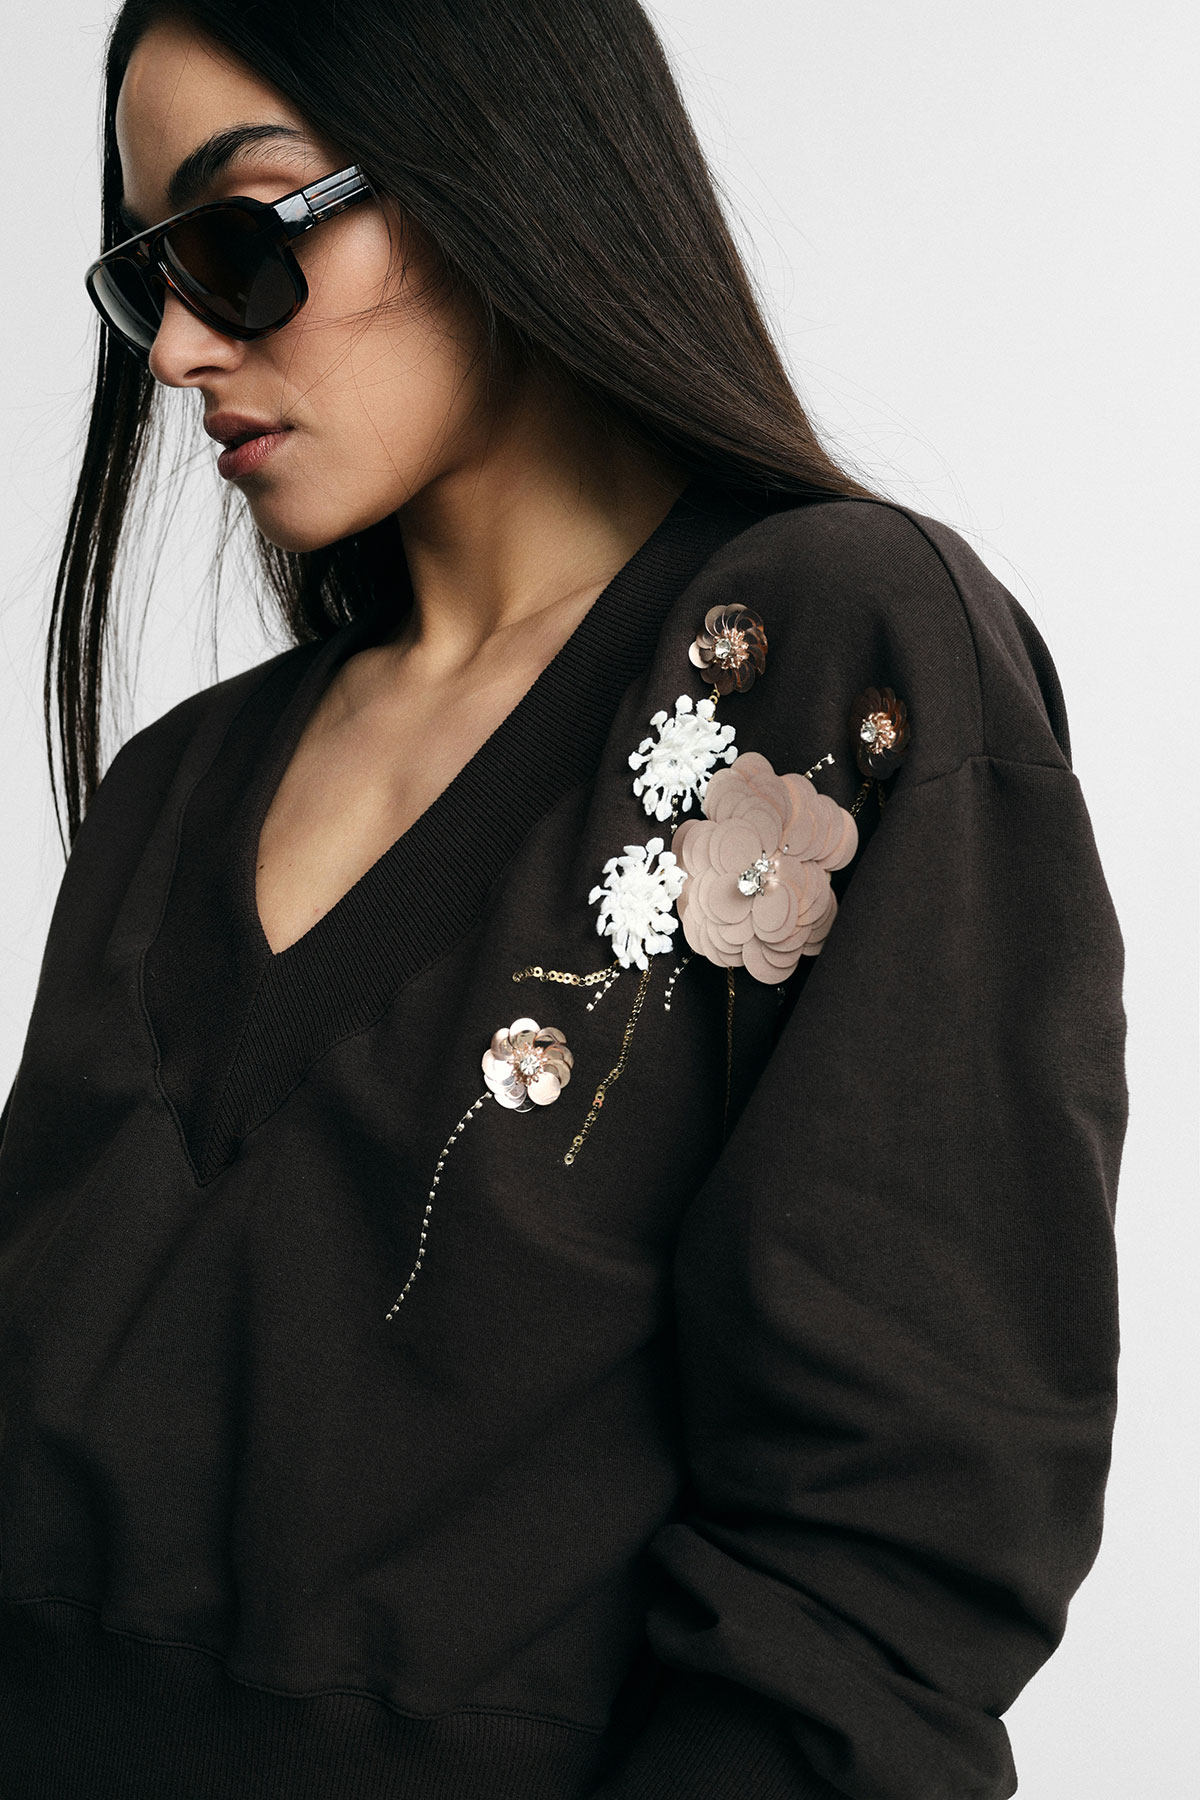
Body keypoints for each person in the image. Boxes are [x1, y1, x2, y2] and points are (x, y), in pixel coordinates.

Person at [0, 2, 1128, 1797]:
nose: (180, 351)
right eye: (146, 281)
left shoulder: (828, 657)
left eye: (239, 240)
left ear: (491, 174)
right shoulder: (171, 794)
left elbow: (890, 1561)